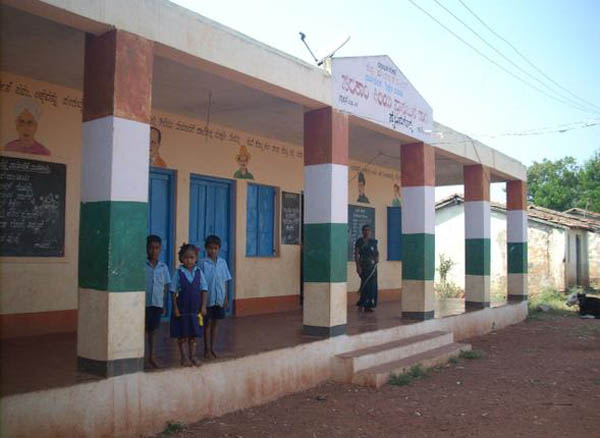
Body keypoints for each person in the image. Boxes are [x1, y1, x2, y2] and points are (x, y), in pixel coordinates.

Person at [170, 243, 208, 366]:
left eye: (192, 257)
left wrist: (203, 306)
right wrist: (175, 308)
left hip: (195, 311)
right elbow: (173, 291)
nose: (189, 260)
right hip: (182, 310)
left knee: (193, 335)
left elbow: (204, 289)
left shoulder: (199, 272)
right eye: (186, 257)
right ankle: (183, 357)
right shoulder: (178, 273)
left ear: (196, 258)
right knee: (182, 335)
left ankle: (193, 356)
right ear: (181, 258)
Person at [199, 235, 232, 359]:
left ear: (219, 249)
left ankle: (212, 348)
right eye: (210, 248)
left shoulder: (222, 263)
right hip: (208, 299)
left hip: (219, 299)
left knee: (215, 324)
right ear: (206, 248)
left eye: (215, 248)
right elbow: (199, 282)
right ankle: (206, 349)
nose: (213, 251)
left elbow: (225, 280)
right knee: (207, 324)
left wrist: (226, 298)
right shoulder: (202, 263)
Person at [145, 235, 171, 369]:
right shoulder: (142, 266)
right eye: (151, 248)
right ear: (146, 249)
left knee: (153, 331)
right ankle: (140, 356)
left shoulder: (163, 267)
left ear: (160, 249)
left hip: (156, 303)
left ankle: (152, 356)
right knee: (142, 330)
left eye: (156, 248)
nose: (153, 251)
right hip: (143, 304)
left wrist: (164, 303)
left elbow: (165, 286)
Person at [354, 224, 379, 312]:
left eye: (368, 230)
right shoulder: (359, 241)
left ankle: (369, 305)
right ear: (362, 231)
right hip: (364, 266)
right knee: (365, 285)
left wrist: (377, 258)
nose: (367, 232)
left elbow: (376, 253)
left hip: (372, 267)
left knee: (372, 286)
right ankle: (362, 303)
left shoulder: (373, 242)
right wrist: (358, 267)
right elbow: (356, 255)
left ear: (370, 231)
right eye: (365, 230)